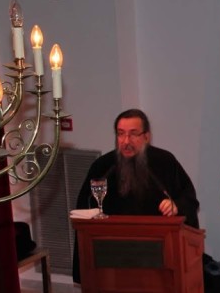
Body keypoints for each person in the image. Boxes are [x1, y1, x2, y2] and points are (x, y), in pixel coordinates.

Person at [72, 108, 199, 282]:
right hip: (112, 255)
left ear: (146, 137)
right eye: (121, 134)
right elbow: (84, 206)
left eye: (133, 134)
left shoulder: (165, 162)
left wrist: (175, 206)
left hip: (158, 253)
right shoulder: (103, 166)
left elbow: (189, 199)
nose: (126, 141)